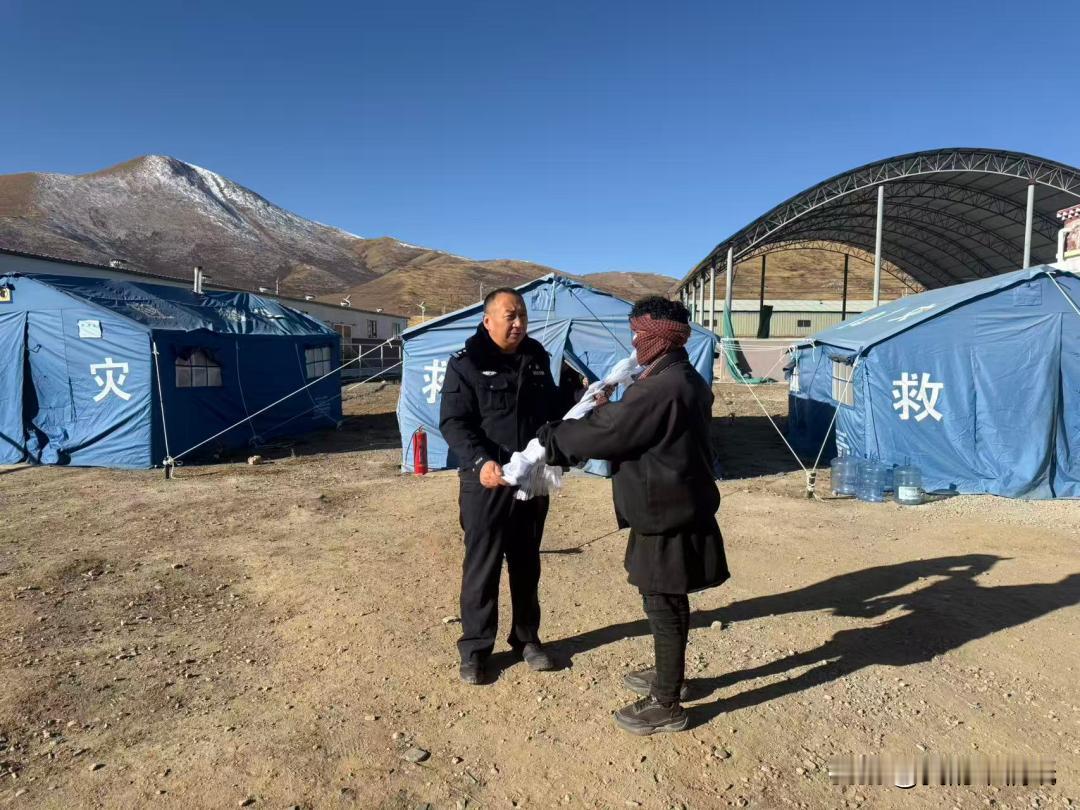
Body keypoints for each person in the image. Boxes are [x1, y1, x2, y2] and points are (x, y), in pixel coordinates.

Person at [537, 296, 728, 734]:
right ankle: (669, 677)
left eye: (639, 334)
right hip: (673, 501)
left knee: (663, 601)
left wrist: (552, 438)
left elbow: (614, 432)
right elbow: (634, 422)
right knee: (664, 597)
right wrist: (608, 405)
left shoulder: (661, 387)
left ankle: (667, 702)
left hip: (666, 510)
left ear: (661, 337)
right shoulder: (680, 377)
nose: (634, 342)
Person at [439, 288, 567, 684]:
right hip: (487, 483)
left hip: (529, 480)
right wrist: (480, 462)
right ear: (488, 320)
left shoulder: (536, 357)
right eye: (510, 316)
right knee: (483, 565)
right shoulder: (466, 364)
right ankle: (476, 649)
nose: (519, 323)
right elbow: (454, 423)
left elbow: (552, 410)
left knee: (527, 562)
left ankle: (526, 639)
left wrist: (582, 397)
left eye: (522, 316)